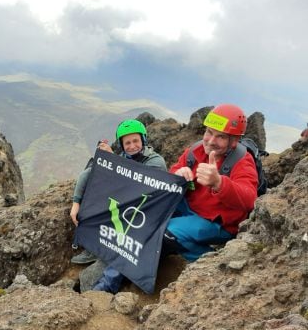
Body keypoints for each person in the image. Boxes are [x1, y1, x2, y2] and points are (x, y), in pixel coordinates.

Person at [93, 103, 258, 293]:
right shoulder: (194, 151)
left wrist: (219, 182)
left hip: (216, 222)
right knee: (145, 214)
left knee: (165, 232)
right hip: (188, 209)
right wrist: (178, 174)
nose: (211, 140)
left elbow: (250, 199)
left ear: (235, 141)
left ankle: (210, 260)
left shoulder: (242, 161)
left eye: (221, 136)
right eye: (209, 132)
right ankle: (112, 281)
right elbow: (170, 174)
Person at [70, 119, 167, 264]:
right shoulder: (123, 158)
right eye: (127, 143)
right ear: (122, 145)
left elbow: (136, 185)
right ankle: (95, 246)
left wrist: (113, 161)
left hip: (144, 210)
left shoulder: (155, 162)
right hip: (123, 203)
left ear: (143, 140)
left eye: (136, 141)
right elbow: (88, 173)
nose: (132, 146)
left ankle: (104, 249)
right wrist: (76, 202)